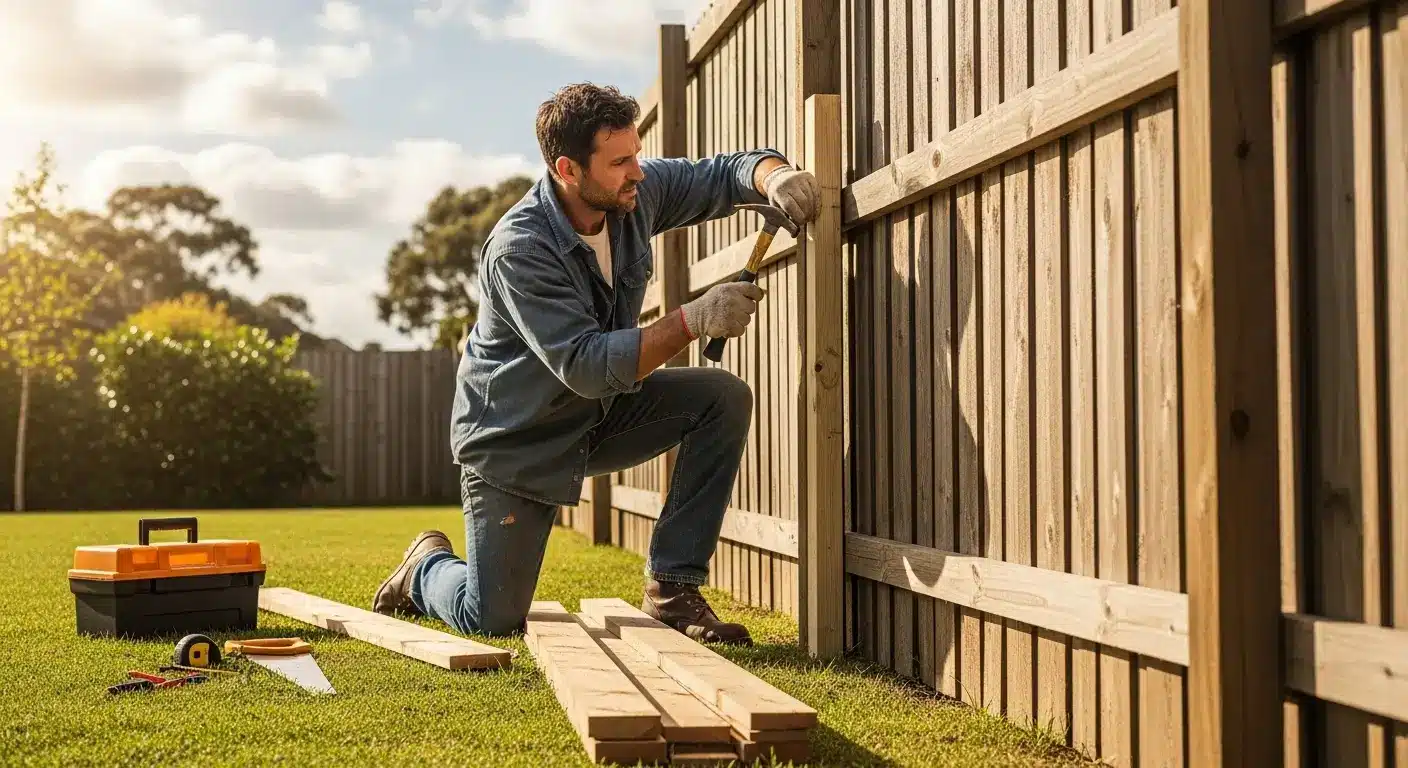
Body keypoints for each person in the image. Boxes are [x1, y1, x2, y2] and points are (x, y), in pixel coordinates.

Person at [371, 82, 819, 646]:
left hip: (597, 416)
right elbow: (584, 364)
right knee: (491, 618)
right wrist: (693, 320)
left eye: (636, 153)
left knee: (721, 398)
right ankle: (426, 569)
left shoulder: (635, 196)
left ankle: (672, 588)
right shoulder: (520, 249)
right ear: (568, 168)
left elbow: (720, 172)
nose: (638, 171)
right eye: (620, 161)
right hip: (517, 440)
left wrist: (772, 175)